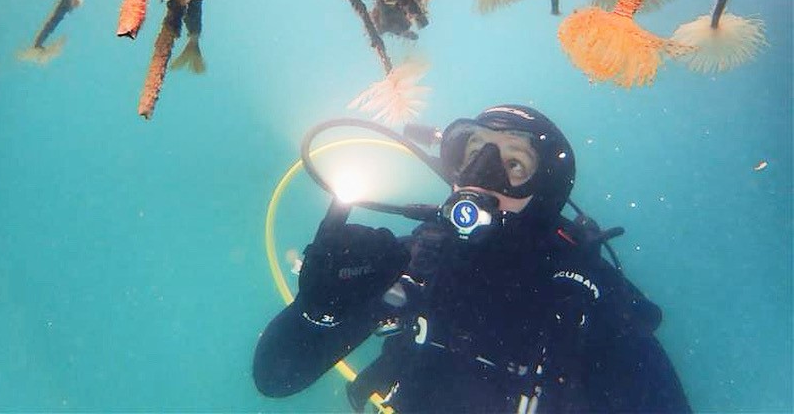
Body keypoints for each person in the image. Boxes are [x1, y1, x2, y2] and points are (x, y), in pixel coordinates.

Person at [253, 104, 691, 413]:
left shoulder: (580, 296)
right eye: (474, 152)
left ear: (546, 194)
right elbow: (277, 378)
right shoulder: (418, 263)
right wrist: (319, 311)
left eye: (514, 164)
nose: (481, 176)